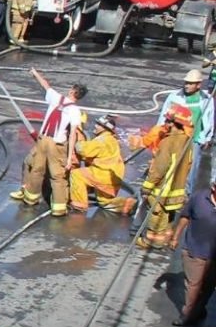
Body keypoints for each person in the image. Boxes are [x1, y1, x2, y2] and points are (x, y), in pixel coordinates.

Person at [10, 68, 87, 217]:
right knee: (58, 175)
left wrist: (35, 73)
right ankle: (58, 207)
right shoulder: (75, 111)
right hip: (57, 144)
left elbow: (45, 84)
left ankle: (30, 198)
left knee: (37, 169)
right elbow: (72, 135)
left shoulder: (56, 98)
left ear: (72, 91)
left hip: (43, 140)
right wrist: (70, 156)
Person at [130, 102, 196, 249]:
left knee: (156, 214)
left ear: (175, 124)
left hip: (162, 190)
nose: (165, 123)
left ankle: (153, 241)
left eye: (167, 120)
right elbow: (190, 164)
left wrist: (147, 186)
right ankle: (166, 236)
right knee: (168, 214)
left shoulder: (168, 142)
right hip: (177, 189)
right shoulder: (187, 141)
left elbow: (159, 168)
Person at [171, 177, 216, 326]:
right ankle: (187, 314)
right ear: (213, 188)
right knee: (193, 285)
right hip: (195, 250)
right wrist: (175, 237)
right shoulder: (198, 198)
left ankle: (199, 308)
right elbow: (185, 216)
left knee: (209, 285)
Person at [68, 115, 131, 214]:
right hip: (113, 177)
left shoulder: (101, 141)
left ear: (105, 128)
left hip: (102, 174)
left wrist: (78, 140)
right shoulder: (111, 139)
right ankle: (129, 205)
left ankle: (79, 205)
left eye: (99, 125)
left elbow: (83, 150)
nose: (95, 126)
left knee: (77, 175)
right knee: (105, 202)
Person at [161, 68, 214, 180]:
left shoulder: (206, 100)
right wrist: (160, 132)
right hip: (175, 137)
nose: (187, 86)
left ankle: (187, 194)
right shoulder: (175, 97)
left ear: (198, 85)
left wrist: (207, 138)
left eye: (190, 84)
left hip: (195, 140)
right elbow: (163, 116)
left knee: (191, 170)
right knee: (170, 166)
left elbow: (209, 119)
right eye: (186, 83)